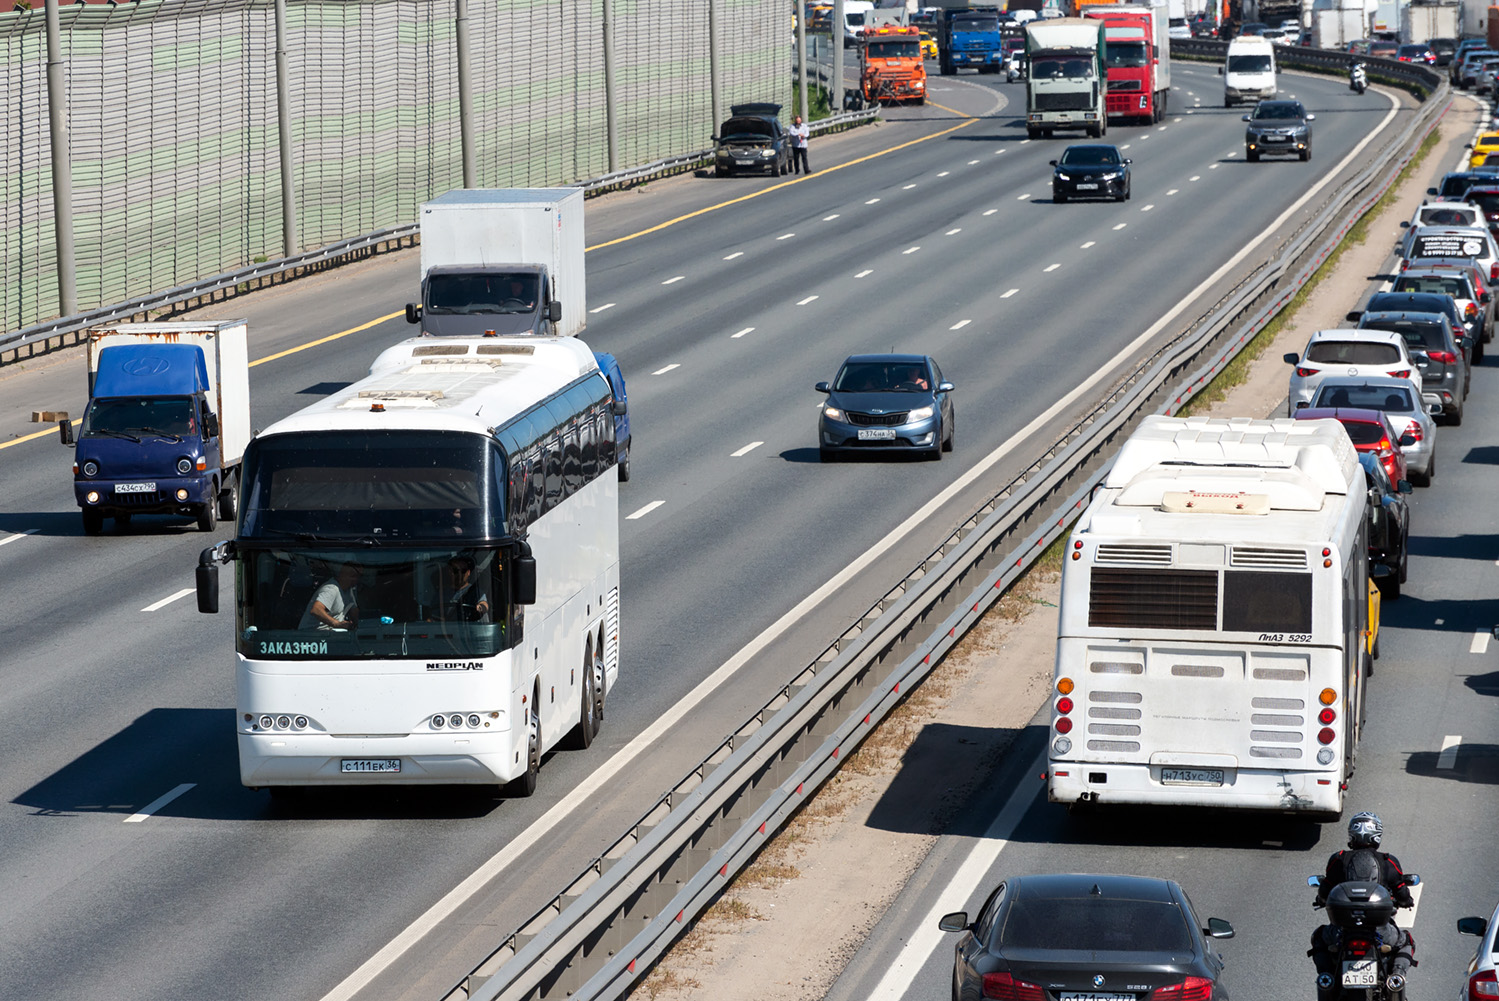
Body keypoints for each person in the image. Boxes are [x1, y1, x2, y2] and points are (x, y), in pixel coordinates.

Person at [1309, 812, 1417, 1000]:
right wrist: (1406, 901)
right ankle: (1397, 977)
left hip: (1340, 933)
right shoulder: (1388, 861)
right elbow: (1402, 892)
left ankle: (1327, 977)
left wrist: (1321, 899)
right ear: (1377, 835)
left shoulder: (1338, 859)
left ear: (1351, 834)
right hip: (1381, 933)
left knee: (1319, 937)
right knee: (1405, 941)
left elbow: (1324, 891)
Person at [299, 563, 361, 630]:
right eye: (360, 576)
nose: (359, 579)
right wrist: (336, 623)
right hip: (313, 634)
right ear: (351, 576)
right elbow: (316, 610)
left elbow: (354, 612)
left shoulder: (348, 590)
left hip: (334, 633)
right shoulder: (331, 589)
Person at [443, 556, 490, 622]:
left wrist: (480, 608)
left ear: (468, 572)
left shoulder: (476, 592)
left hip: (472, 630)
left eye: (463, 570)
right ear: (450, 572)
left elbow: (484, 604)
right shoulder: (442, 595)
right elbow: (434, 617)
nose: (460, 574)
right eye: (455, 570)